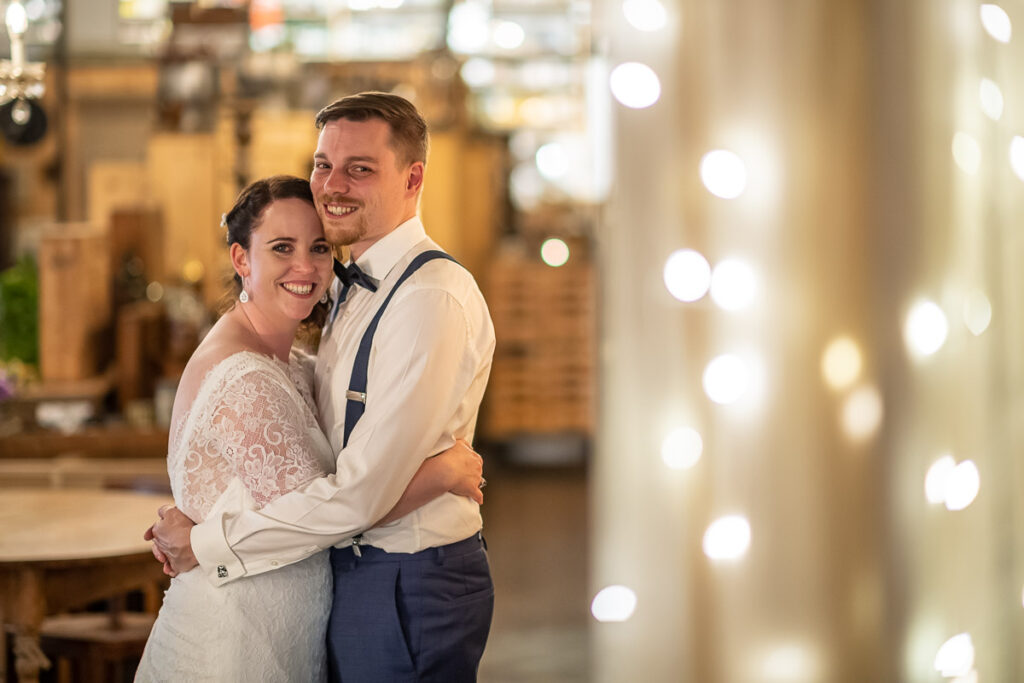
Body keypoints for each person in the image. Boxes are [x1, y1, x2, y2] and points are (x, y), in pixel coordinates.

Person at [149, 92, 496, 681]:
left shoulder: (426, 298)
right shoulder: (349, 291)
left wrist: (205, 543)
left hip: (404, 578)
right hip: (339, 584)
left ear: (413, 178)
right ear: (242, 259)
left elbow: (358, 493)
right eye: (322, 164)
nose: (333, 184)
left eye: (359, 168)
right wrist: (439, 473)